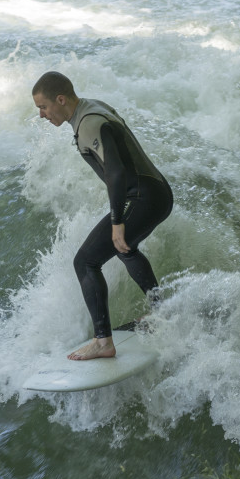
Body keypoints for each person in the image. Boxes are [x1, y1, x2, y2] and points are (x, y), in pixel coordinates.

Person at [32, 72, 173, 360]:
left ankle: (103, 342)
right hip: (157, 193)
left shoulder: (89, 123)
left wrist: (117, 221)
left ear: (61, 99)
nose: (41, 115)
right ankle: (164, 313)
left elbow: (116, 172)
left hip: (143, 197)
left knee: (85, 261)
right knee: (125, 249)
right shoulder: (93, 107)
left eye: (43, 107)